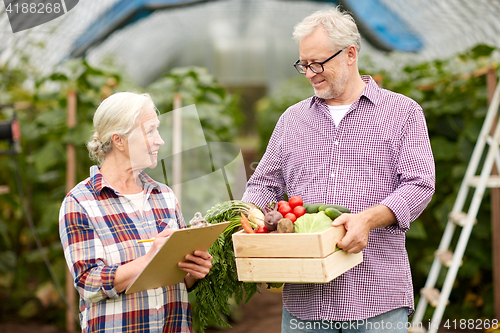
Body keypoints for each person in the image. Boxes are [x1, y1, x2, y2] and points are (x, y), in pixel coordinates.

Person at [242, 7, 435, 333]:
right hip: (305, 300)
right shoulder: (292, 120)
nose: (310, 73)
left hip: (376, 298)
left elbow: (420, 184)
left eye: (318, 63)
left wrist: (367, 220)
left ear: (350, 54)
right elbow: (265, 181)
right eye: (303, 65)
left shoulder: (402, 113)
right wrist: (246, 214)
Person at [59, 92, 213, 333]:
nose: (159, 140)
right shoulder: (80, 202)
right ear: (119, 140)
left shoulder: (164, 196)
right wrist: (149, 258)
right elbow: (89, 284)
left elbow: (178, 275)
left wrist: (194, 270)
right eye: (150, 131)